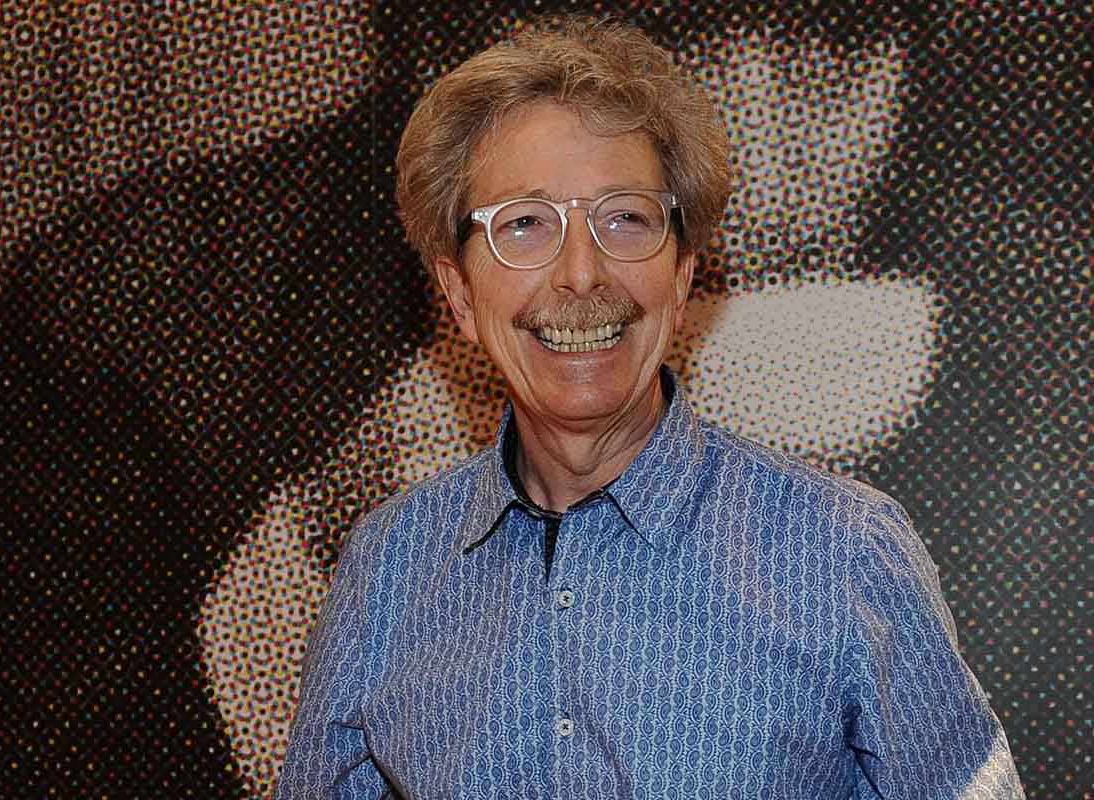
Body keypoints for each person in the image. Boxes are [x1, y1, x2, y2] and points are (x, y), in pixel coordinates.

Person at [273, 15, 1023, 798]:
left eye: (624, 218)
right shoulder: (387, 567)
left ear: (683, 273)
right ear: (459, 293)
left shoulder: (843, 554)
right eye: (524, 224)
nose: (581, 273)